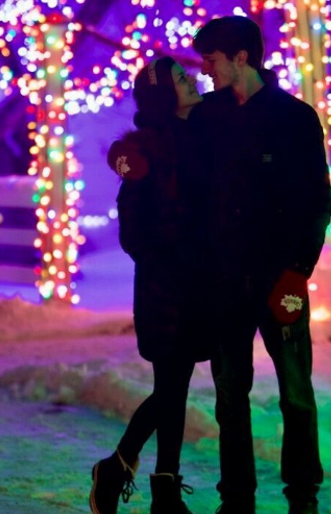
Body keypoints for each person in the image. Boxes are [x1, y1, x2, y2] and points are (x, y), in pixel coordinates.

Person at [190, 16, 331, 514]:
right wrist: (127, 160)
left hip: (282, 278)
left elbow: (317, 201)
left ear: (241, 57)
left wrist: (297, 271)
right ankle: (237, 498)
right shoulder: (206, 117)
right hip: (225, 281)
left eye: (211, 60)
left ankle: (302, 496)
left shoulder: (294, 118)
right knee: (231, 395)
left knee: (295, 391)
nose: (205, 70)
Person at [91, 57, 212, 514]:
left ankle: (125, 469)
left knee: (174, 388)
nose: (193, 80)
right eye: (182, 79)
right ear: (166, 96)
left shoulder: (203, 134)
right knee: (171, 386)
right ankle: (152, 482)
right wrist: (172, 258)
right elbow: (133, 231)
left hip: (201, 286)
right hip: (166, 288)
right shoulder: (144, 151)